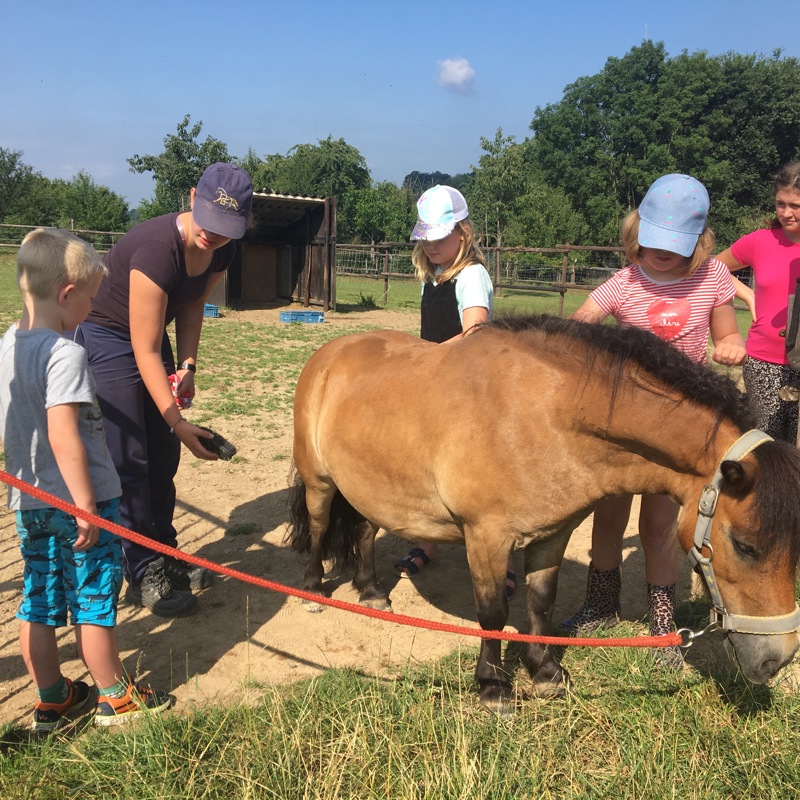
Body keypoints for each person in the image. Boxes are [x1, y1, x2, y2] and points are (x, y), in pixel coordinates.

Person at [559, 174, 747, 668]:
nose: (661, 253)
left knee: (660, 526)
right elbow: (578, 325)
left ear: (699, 240)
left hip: (680, 429)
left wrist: (731, 345)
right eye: (653, 241)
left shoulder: (713, 278)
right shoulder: (624, 283)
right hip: (623, 426)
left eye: (673, 244)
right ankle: (600, 605)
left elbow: (727, 332)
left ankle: (662, 622)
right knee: (608, 516)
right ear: (636, 232)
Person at [0, 228, 172, 730]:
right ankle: (114, 697)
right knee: (94, 600)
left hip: (30, 503)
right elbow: (64, 435)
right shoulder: (64, 353)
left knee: (39, 598)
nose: (94, 310)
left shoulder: (7, 345)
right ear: (67, 294)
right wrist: (85, 506)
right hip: (79, 505)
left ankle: (52, 696)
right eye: (92, 300)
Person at [75, 162, 253, 618]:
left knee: (162, 455)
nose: (213, 234)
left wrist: (189, 365)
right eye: (209, 220)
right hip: (109, 336)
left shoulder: (223, 251)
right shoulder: (158, 249)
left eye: (226, 228)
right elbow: (144, 348)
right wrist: (177, 421)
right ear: (193, 197)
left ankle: (163, 551)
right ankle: (141, 570)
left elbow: (193, 304)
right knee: (130, 455)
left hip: (153, 338)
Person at [392, 185, 516, 597]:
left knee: (485, 476)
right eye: (425, 238)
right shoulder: (434, 276)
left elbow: (475, 332)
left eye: (440, 237)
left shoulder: (472, 275)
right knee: (425, 463)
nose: (430, 245)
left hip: (469, 385)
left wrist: (423, 359)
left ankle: (504, 561)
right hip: (437, 379)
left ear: (463, 233)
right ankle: (427, 542)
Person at [714, 162, 800, 443]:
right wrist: (747, 294)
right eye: (780, 204)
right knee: (765, 445)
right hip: (764, 362)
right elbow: (713, 268)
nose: (786, 213)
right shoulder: (760, 241)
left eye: (795, 206)